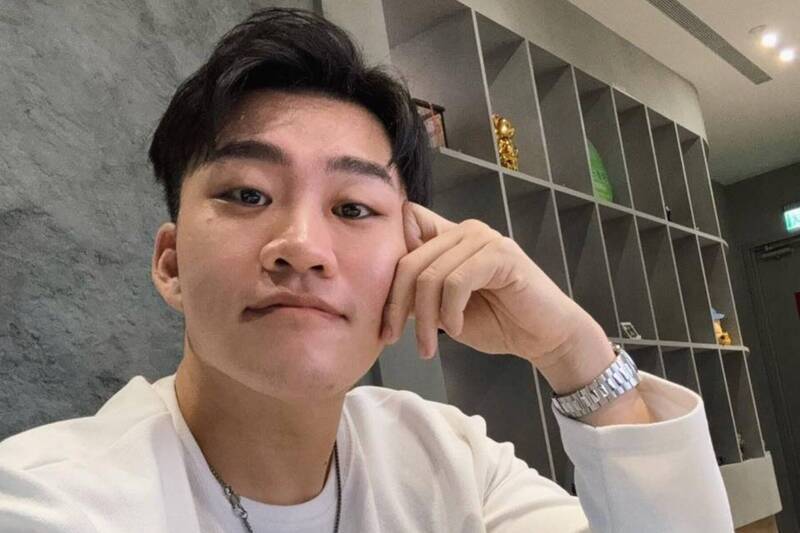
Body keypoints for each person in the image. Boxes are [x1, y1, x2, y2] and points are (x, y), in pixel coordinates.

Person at [0, 7, 734, 532]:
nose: (301, 245)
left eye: (353, 208)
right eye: (247, 194)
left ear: (411, 256)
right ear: (171, 265)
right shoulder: (50, 501)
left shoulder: (450, 464)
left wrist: (573, 350)